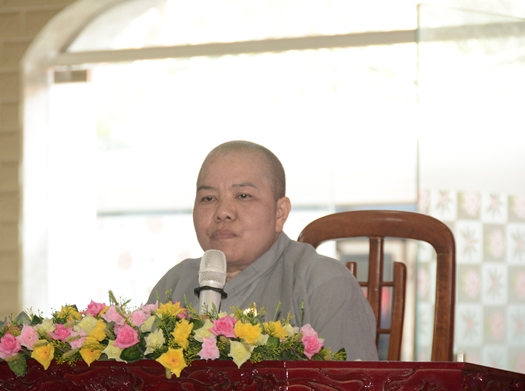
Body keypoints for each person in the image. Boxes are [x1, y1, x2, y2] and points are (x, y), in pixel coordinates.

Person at [147, 140, 378, 361]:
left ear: (280, 213)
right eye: (208, 198)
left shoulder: (323, 282)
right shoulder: (174, 283)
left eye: (243, 196)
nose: (223, 212)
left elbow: (349, 384)